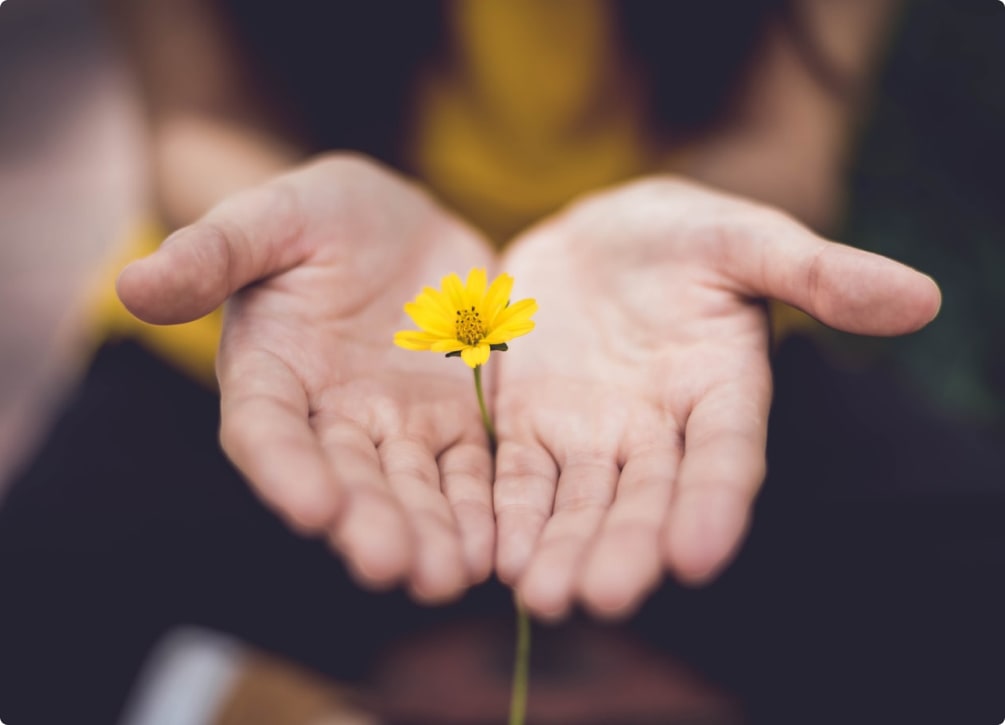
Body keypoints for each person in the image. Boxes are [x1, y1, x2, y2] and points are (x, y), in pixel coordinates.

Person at [1, 1, 1003, 723]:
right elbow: (200, 118)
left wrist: (693, 220)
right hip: (299, 339)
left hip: (663, 351)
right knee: (37, 614)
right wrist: (285, 216)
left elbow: (783, 146)